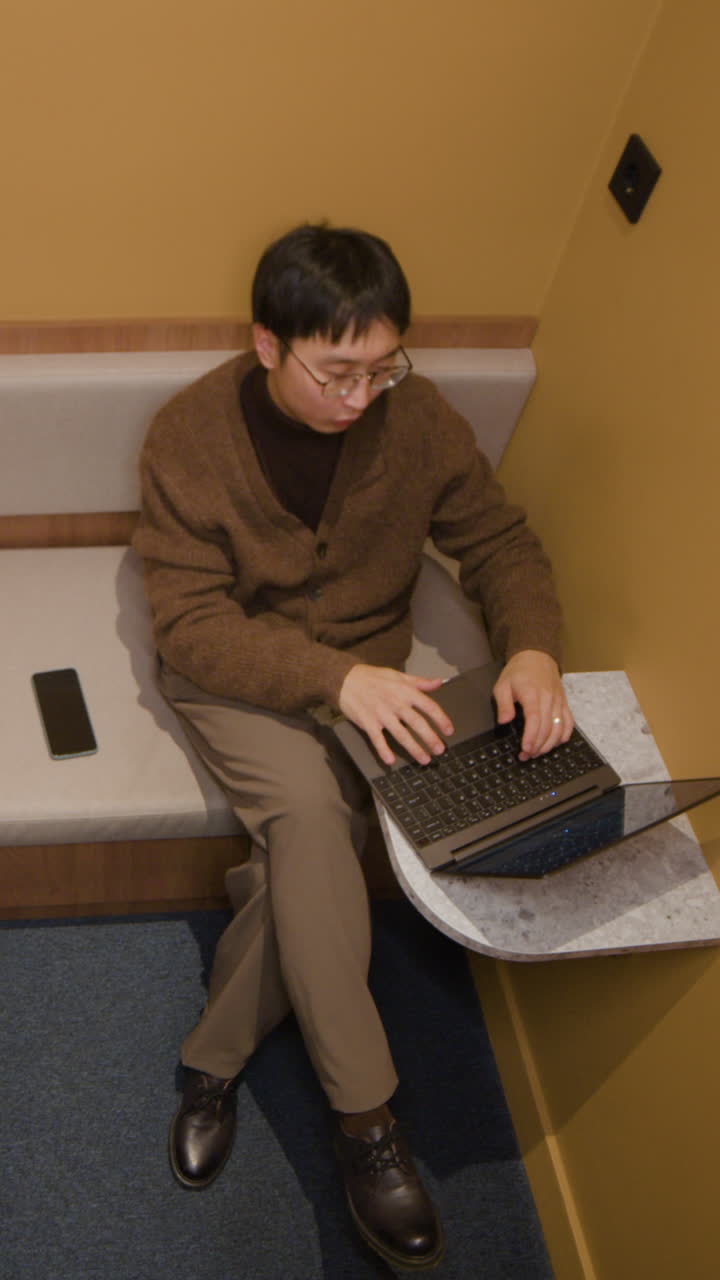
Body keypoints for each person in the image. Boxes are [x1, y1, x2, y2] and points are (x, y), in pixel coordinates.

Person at [133, 223, 573, 1271]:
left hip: (374, 674)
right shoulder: (187, 434)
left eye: (384, 368)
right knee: (314, 819)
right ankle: (368, 1119)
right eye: (338, 371)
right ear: (269, 344)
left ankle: (212, 1058)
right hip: (244, 678)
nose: (363, 396)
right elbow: (189, 623)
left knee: (299, 863)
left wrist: (536, 650)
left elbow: (498, 539)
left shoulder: (414, 418)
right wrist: (335, 679)